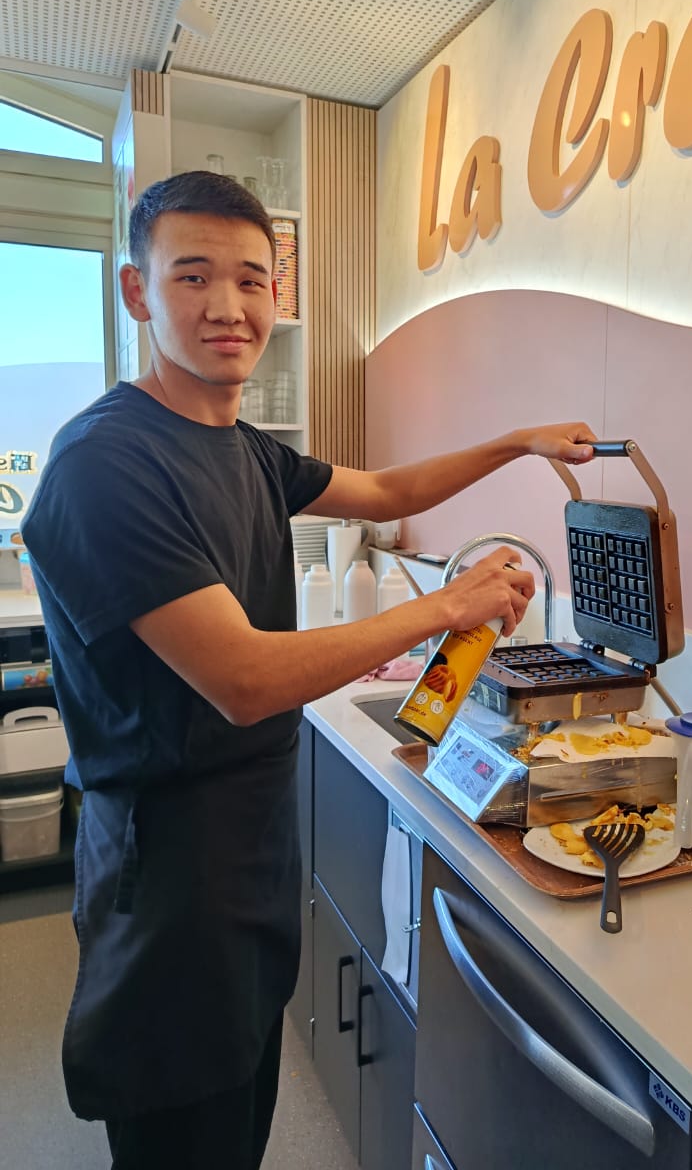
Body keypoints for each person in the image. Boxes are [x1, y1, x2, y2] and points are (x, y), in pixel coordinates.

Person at [21, 170, 598, 1170]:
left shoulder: (246, 450)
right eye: (193, 275)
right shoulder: (105, 465)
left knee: (235, 1125)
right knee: (182, 1140)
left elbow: (388, 490)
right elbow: (243, 678)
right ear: (136, 290)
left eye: (251, 279)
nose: (228, 305)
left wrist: (517, 442)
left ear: (276, 295)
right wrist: (447, 606)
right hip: (169, 883)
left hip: (248, 860)